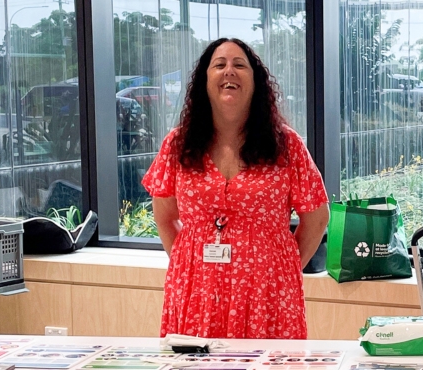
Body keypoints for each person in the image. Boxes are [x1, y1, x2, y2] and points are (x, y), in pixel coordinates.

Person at [141, 38, 329, 339]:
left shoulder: (286, 144)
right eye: (219, 65)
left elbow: (317, 217)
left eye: (239, 65)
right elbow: (164, 217)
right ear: (205, 81)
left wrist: (282, 267)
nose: (229, 71)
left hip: (268, 293)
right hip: (197, 292)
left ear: (256, 84)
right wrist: (188, 263)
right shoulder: (178, 145)